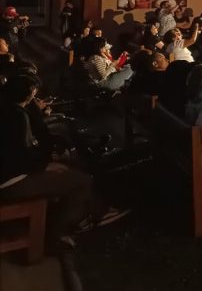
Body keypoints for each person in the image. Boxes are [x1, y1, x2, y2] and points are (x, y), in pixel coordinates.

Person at [0, 75, 128, 249]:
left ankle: (96, 210)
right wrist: (46, 165)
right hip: (10, 182)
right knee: (82, 181)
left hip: (10, 175)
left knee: (69, 171)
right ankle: (58, 232)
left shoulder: (7, 110)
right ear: (30, 94)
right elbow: (20, 156)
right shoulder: (17, 116)